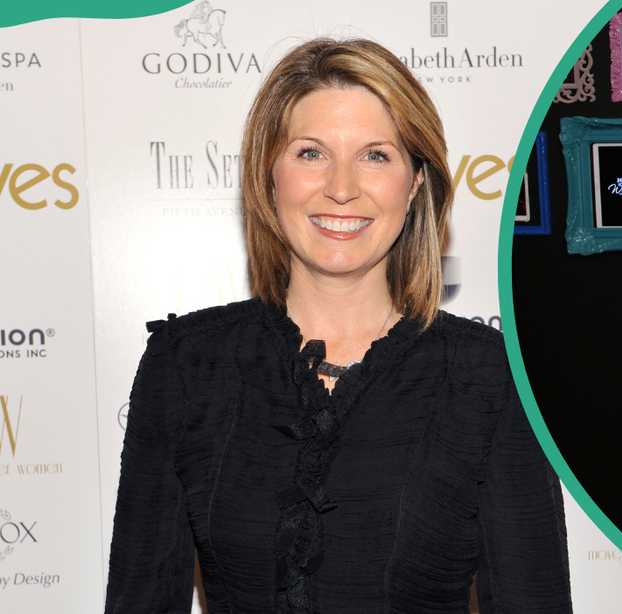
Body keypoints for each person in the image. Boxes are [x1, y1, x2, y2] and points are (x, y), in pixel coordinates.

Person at [104, 38, 572, 614]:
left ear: (415, 182)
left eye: (375, 155)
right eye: (311, 153)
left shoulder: (489, 375)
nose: (342, 187)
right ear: (269, 175)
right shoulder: (186, 364)